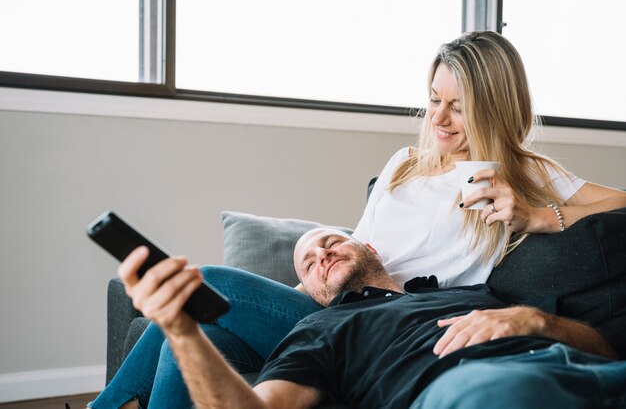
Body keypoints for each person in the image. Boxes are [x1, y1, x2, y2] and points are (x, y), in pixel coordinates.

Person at [88, 30, 626, 409]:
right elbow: (362, 244)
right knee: (199, 319)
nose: (438, 118)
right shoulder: (403, 165)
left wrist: (538, 215)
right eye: (433, 99)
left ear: (493, 106)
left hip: (404, 317)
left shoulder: (524, 174)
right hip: (340, 304)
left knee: (204, 289)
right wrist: (313, 274)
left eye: (457, 107)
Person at [104, 228, 626, 409]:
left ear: (368, 245)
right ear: (305, 291)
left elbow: (601, 346)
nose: (322, 254)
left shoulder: (474, 290)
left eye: (331, 242)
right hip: (479, 390)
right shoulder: (318, 332)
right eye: (308, 263)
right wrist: (181, 329)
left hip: (583, 367)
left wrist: (537, 322)